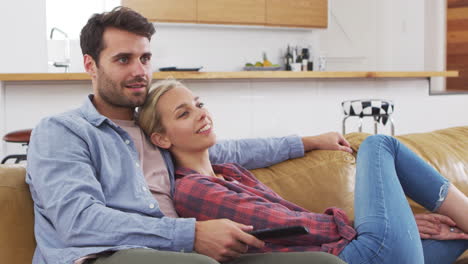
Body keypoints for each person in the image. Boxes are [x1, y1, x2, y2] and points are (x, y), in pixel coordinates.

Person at [26, 6, 349, 264]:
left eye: (145, 58)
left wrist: (308, 142)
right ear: (90, 65)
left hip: (181, 251)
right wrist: (190, 234)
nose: (140, 71)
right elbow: (78, 221)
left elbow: (230, 152)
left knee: (323, 262)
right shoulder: (63, 131)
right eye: (123, 59)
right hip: (105, 254)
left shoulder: (155, 131)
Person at [137, 79, 468, 264]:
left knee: (457, 234)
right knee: (378, 146)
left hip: (367, 252)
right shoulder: (194, 191)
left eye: (198, 103)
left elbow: (248, 151)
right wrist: (387, 225)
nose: (200, 113)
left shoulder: (229, 171)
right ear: (161, 138)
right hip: (351, 258)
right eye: (184, 113)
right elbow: (290, 226)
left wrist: (401, 225)